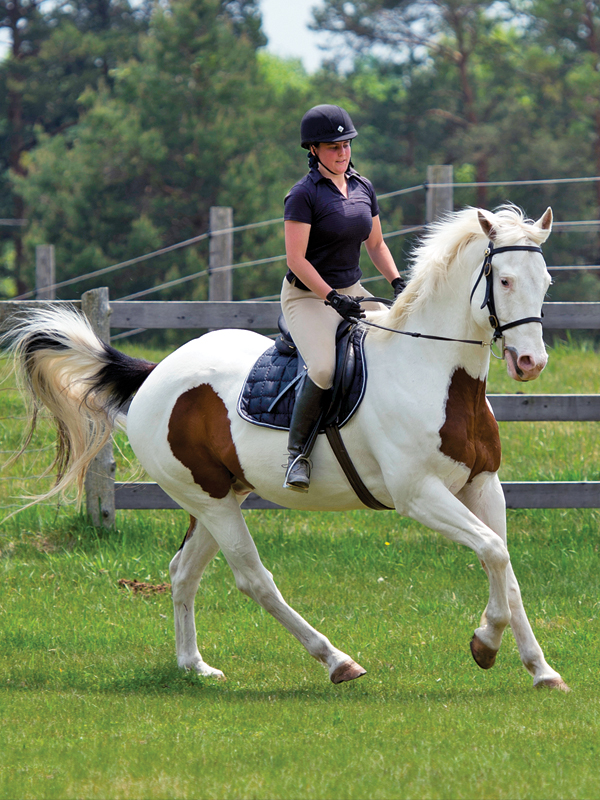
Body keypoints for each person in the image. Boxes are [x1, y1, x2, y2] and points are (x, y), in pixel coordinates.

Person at [282, 103, 406, 493]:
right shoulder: (302, 196)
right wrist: (332, 297)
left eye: (346, 144)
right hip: (308, 297)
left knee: (399, 341)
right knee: (323, 369)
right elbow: (296, 260)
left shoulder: (363, 187)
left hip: (353, 291)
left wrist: (397, 282)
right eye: (333, 147)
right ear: (314, 150)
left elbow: (376, 244)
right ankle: (297, 454)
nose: (342, 152)